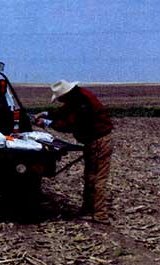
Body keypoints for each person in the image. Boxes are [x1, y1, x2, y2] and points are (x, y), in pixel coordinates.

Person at [34, 80, 113, 224]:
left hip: (99, 141)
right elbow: (64, 112)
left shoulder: (83, 103)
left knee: (97, 178)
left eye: (60, 98)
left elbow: (71, 124)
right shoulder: (78, 98)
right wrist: (46, 114)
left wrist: (47, 123)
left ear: (66, 94)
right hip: (94, 141)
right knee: (90, 177)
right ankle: (88, 210)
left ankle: (99, 214)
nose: (61, 100)